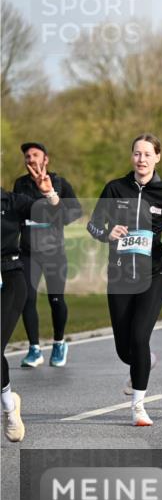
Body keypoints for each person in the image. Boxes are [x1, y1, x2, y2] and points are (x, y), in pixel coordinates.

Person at [87, 133, 162, 426]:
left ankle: (138, 406)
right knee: (125, 350)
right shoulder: (115, 188)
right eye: (137, 153)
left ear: (157, 157)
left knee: (139, 338)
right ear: (131, 157)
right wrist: (106, 233)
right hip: (120, 276)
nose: (142, 159)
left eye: (148, 154)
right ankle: (146, 359)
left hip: (153, 277)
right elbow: (93, 225)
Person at [2, 178, 62, 442]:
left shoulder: (13, 201)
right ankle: (9, 401)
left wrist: (50, 194)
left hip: (10, 279)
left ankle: (9, 410)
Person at [14, 142, 82, 368]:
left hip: (53, 252)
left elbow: (75, 213)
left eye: (35, 155)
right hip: (27, 253)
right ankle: (34, 349)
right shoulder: (20, 185)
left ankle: (59, 343)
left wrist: (52, 198)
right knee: (27, 299)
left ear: (46, 159)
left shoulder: (60, 183)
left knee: (56, 300)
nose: (30, 159)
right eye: (27, 156)